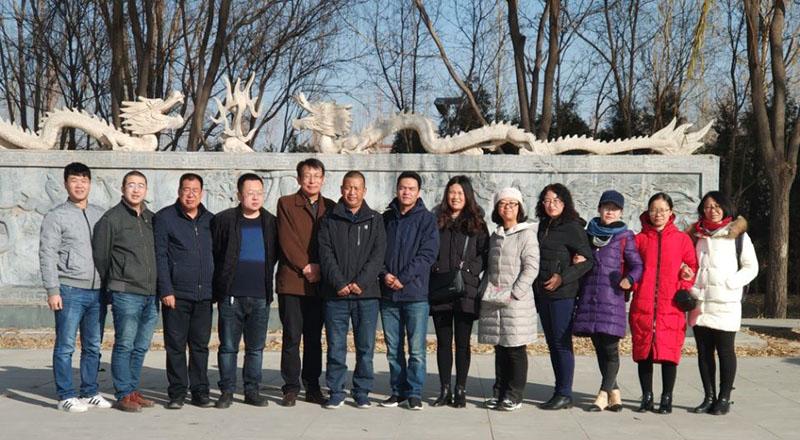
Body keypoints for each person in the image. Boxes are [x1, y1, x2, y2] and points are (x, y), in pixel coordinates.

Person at [39, 162, 111, 413]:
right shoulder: (56, 216)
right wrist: (52, 290)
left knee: (93, 345)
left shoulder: (100, 214)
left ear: (90, 184)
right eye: (74, 180)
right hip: (69, 290)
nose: (79, 185)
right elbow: (47, 254)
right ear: (65, 184)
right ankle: (66, 395)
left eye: (84, 180)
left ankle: (89, 391)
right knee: (66, 346)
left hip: (98, 291)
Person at [317, 171, 386, 409]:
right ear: (341, 189)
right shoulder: (329, 219)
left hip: (366, 295)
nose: (352, 192)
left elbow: (378, 255)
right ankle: (336, 391)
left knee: (365, 348)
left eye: (357, 188)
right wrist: (339, 283)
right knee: (336, 346)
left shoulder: (375, 219)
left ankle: (362, 391)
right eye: (348, 187)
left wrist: (361, 282)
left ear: (364, 191)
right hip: (335, 294)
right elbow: (325, 253)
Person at [685, 191, 757, 415]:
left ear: (725, 208)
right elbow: (686, 262)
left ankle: (724, 398)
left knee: (725, 351)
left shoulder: (738, 235)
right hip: (700, 302)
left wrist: (731, 283)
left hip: (725, 303)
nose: (712, 210)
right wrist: (688, 278)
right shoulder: (695, 235)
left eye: (717, 206)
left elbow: (751, 267)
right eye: (707, 206)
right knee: (704, 352)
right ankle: (709, 397)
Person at [92, 170, 158, 412]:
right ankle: (123, 393)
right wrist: (114, 283)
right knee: (125, 345)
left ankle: (132, 389)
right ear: (122, 189)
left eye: (141, 185)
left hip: (151, 294)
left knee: (141, 346)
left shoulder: (151, 219)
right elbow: (101, 256)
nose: (136, 189)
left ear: (146, 190)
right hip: (126, 292)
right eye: (131, 185)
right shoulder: (111, 219)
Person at [210, 173, 278, 409]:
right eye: (250, 193)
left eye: (259, 193)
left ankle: (252, 390)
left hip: (260, 295)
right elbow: (215, 253)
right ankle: (227, 391)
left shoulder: (271, 222)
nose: (255, 197)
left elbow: (274, 255)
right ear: (239, 195)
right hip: (231, 295)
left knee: (255, 348)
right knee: (228, 347)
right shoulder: (224, 220)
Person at [572, 190, 643, 412]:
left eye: (614, 208)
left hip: (612, 299)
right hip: (589, 298)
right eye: (606, 207)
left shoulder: (625, 236)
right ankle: (615, 393)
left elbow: (638, 265)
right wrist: (577, 260)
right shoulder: (588, 235)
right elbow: (580, 260)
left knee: (610, 348)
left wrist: (629, 279)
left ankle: (602, 395)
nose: (610, 212)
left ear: (621, 212)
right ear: (599, 209)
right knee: (599, 348)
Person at [630, 192, 697, 414]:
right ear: (647, 212)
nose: (658, 214)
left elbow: (692, 266)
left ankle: (667, 397)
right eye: (654, 210)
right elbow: (630, 266)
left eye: (662, 210)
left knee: (669, 353)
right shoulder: (639, 240)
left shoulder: (681, 239)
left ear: (671, 212)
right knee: (644, 352)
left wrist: (685, 283)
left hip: (671, 305)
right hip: (644, 303)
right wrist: (633, 284)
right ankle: (646, 397)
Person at [276, 159, 335, 407]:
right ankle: (291, 387)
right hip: (293, 281)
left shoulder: (331, 206)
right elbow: (287, 240)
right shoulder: (286, 203)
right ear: (299, 179)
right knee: (292, 336)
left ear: (323, 179)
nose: (312, 180)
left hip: (320, 283)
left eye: (317, 175)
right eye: (307, 175)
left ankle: (312, 386)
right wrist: (307, 266)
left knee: (314, 337)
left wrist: (321, 267)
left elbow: (334, 242)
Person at [379, 171, 439, 411]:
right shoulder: (386, 219)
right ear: (396, 189)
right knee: (393, 348)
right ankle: (397, 391)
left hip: (415, 294)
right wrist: (385, 274)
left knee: (417, 349)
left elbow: (427, 255)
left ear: (419, 192)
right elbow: (376, 251)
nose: (406, 192)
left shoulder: (427, 219)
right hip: (388, 294)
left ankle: (414, 393)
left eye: (411, 188)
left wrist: (402, 279)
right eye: (402, 188)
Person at [153, 173, 215, 409]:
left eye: (195, 190)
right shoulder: (165, 218)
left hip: (204, 295)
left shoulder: (210, 220)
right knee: (176, 347)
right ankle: (177, 392)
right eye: (186, 190)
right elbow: (160, 256)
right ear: (179, 191)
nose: (191, 194)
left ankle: (200, 391)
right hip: (176, 295)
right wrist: (166, 290)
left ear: (202, 193)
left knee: (200, 346)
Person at [429, 176, 489, 408]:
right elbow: (428, 248)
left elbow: (485, 253)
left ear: (467, 196)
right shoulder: (436, 220)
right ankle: (444, 389)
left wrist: (471, 269)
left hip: (466, 289)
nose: (455, 197)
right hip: (441, 287)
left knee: (463, 343)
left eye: (460, 193)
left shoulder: (477, 223)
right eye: (452, 192)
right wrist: (435, 266)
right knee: (443, 342)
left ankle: (460, 389)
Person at [478, 187, 539, 412]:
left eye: (513, 204)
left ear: (519, 208)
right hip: (495, 300)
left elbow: (531, 267)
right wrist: (484, 291)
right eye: (503, 204)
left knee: (515, 348)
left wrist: (515, 293)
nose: (508, 208)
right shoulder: (495, 235)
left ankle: (514, 395)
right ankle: (499, 392)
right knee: (501, 348)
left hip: (516, 302)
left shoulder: (526, 234)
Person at [533, 183, 594, 410]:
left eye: (556, 201)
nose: (552, 205)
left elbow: (587, 261)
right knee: (552, 343)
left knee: (561, 342)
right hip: (543, 293)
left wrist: (563, 277)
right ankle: (558, 390)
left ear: (565, 203)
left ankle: (565, 393)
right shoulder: (543, 226)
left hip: (563, 294)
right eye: (547, 201)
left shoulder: (572, 227)